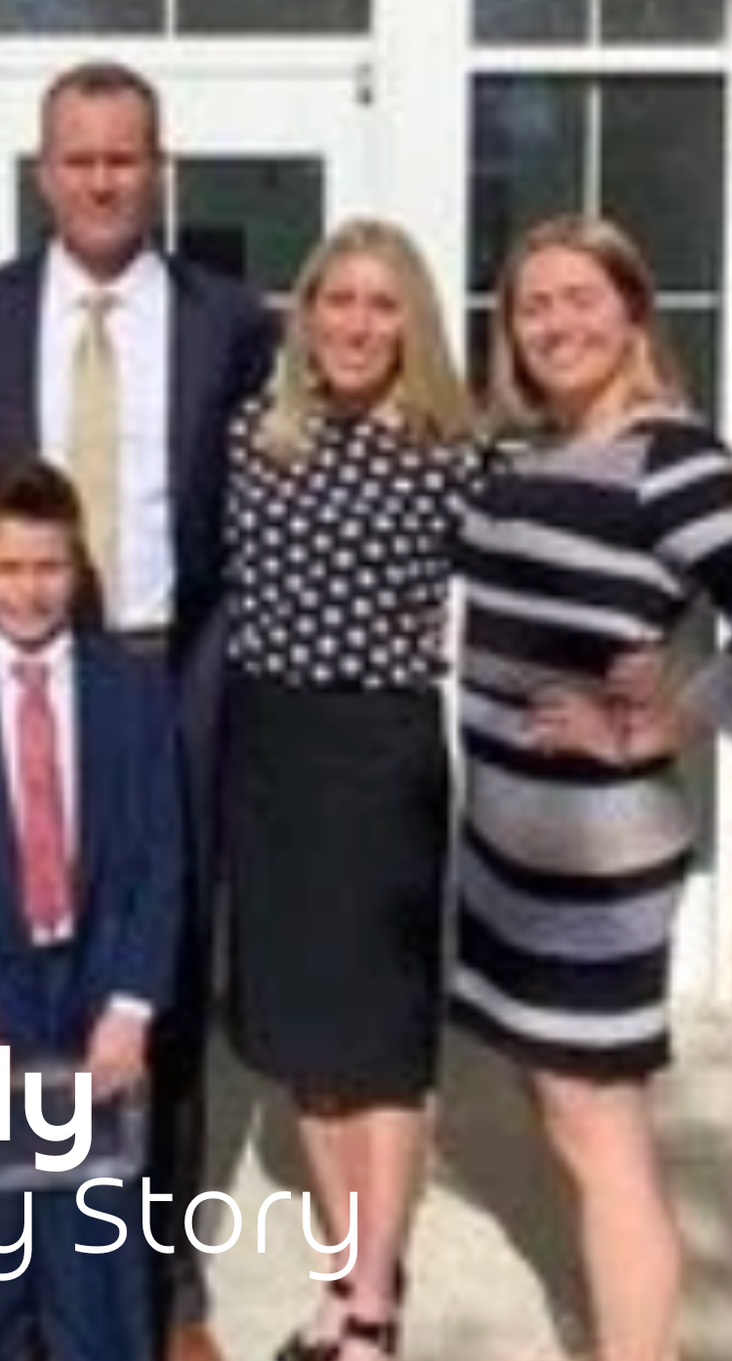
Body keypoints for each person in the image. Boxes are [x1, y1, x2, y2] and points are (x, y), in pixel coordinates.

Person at [0, 59, 278, 1361]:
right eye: (77, 157)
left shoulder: (229, 321)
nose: (100, 178)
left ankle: (168, 1279)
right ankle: (2, 1254)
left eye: (123, 156)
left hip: (161, 670)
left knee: (158, 974)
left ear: (159, 167)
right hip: (17, 663)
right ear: (42, 173)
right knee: (5, 961)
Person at [450, 215, 732, 1361]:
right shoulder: (522, 458)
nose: (556, 322)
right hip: (507, 846)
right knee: (563, 1116)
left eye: (578, 297)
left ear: (630, 312)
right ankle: (624, 1324)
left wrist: (661, 717)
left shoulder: (674, 458)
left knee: (597, 1123)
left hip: (595, 855)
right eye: (532, 305)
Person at [220, 220, 482, 1361]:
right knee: (304, 1044)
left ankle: (372, 1305)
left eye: (383, 305)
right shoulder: (251, 437)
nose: (358, 325)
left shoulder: (452, 452)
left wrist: (647, 689)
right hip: (270, 752)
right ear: (306, 313)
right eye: (340, 300)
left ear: (410, 323)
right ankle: (344, 1278)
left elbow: (548, 580)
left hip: (382, 760)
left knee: (380, 1044)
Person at [0, 458, 185, 1361]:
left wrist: (132, 1008)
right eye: (7, 569)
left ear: (77, 566)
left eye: (49, 567)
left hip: (95, 1000)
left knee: (99, 1279)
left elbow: (165, 859)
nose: (29, 589)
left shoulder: (131, 691)